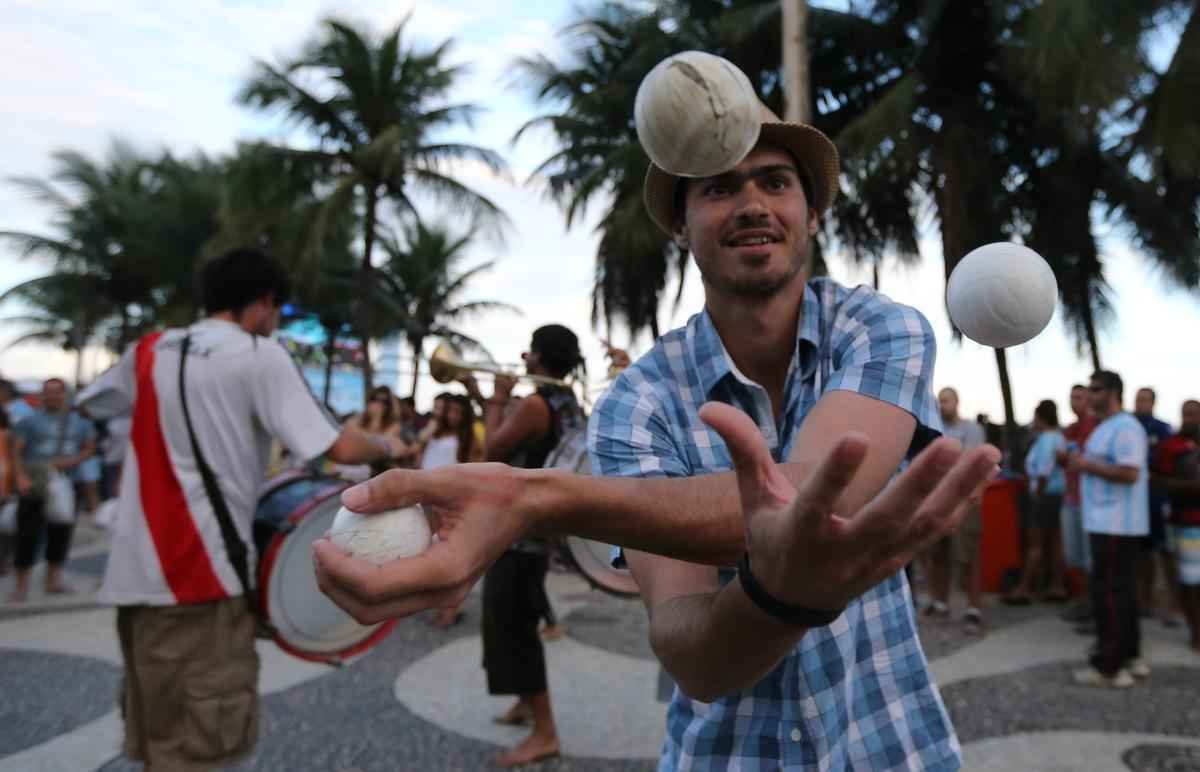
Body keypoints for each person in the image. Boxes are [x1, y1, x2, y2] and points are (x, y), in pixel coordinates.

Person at [312, 103, 1000, 772]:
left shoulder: (880, 329)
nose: (753, 202)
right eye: (720, 187)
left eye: (776, 181)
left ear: (812, 213)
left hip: (894, 744)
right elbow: (693, 655)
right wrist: (779, 597)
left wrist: (536, 497)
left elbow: (814, 490)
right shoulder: (636, 402)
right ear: (682, 223)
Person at [76, 247, 411, 771]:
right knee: (205, 747)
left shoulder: (148, 350)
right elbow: (340, 448)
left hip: (135, 581)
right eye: (274, 315)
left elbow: (93, 403)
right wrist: (390, 448)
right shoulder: (258, 354)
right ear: (263, 304)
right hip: (201, 579)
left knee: (157, 736)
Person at [458, 324, 585, 767]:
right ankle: (525, 705)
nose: (523, 357)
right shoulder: (565, 401)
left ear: (541, 357)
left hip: (519, 532)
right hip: (537, 530)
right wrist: (484, 395)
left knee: (511, 625)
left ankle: (545, 732)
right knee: (513, 620)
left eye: (530, 351)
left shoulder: (535, 403)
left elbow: (492, 451)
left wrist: (494, 397)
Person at [1069, 370, 1150, 687]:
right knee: (1121, 592)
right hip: (1104, 521)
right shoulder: (1106, 427)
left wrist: (1085, 465)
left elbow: (1130, 473)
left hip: (1117, 523)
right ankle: (1129, 655)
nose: (1090, 394)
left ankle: (1109, 666)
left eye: (1096, 389)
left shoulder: (1126, 427)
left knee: (1110, 594)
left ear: (1114, 392)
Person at [7, 378, 97, 602]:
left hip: (66, 484)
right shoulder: (29, 421)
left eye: (57, 392)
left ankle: (53, 580)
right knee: (27, 535)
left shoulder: (80, 422)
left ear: (64, 394)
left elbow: (90, 447)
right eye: (48, 392)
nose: (53, 396)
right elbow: (16, 452)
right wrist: (20, 477)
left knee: (61, 533)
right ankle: (21, 586)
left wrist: (74, 460)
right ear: (42, 395)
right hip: (36, 484)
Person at [924, 387, 988, 633]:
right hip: (937, 500)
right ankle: (940, 602)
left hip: (965, 500)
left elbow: (974, 465)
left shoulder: (971, 430)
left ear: (957, 401)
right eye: (939, 401)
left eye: (946, 401)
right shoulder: (934, 429)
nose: (942, 405)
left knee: (968, 556)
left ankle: (973, 608)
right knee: (937, 554)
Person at [1006, 400, 1069, 605]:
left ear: (1040, 417)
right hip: (1059, 495)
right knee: (1056, 542)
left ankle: (1024, 587)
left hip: (1044, 495)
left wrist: (1038, 494)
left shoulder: (1045, 440)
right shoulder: (1060, 438)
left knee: (1036, 543)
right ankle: (1057, 585)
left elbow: (1043, 471)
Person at [1151, 399, 1200, 653]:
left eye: (1195, 414)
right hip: (1186, 523)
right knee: (1191, 581)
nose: (1190, 418)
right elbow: (1156, 478)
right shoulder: (1171, 446)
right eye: (1186, 414)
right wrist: (1186, 487)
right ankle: (1195, 632)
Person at [1133, 387, 1181, 625]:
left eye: (1144, 400)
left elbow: (1166, 461)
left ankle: (1173, 604)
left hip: (1158, 500)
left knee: (1165, 553)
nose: (1140, 404)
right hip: (1138, 502)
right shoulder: (1130, 426)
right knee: (1143, 555)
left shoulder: (1162, 429)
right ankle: (1146, 600)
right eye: (1137, 399)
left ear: (1153, 402)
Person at [1058, 384, 1100, 623]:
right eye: (1071, 397)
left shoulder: (1097, 426)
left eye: (1079, 397)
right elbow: (1065, 460)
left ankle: (1095, 607)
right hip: (1071, 498)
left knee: (1091, 557)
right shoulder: (1070, 429)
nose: (1074, 402)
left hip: (1092, 501)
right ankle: (1082, 602)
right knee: (1073, 555)